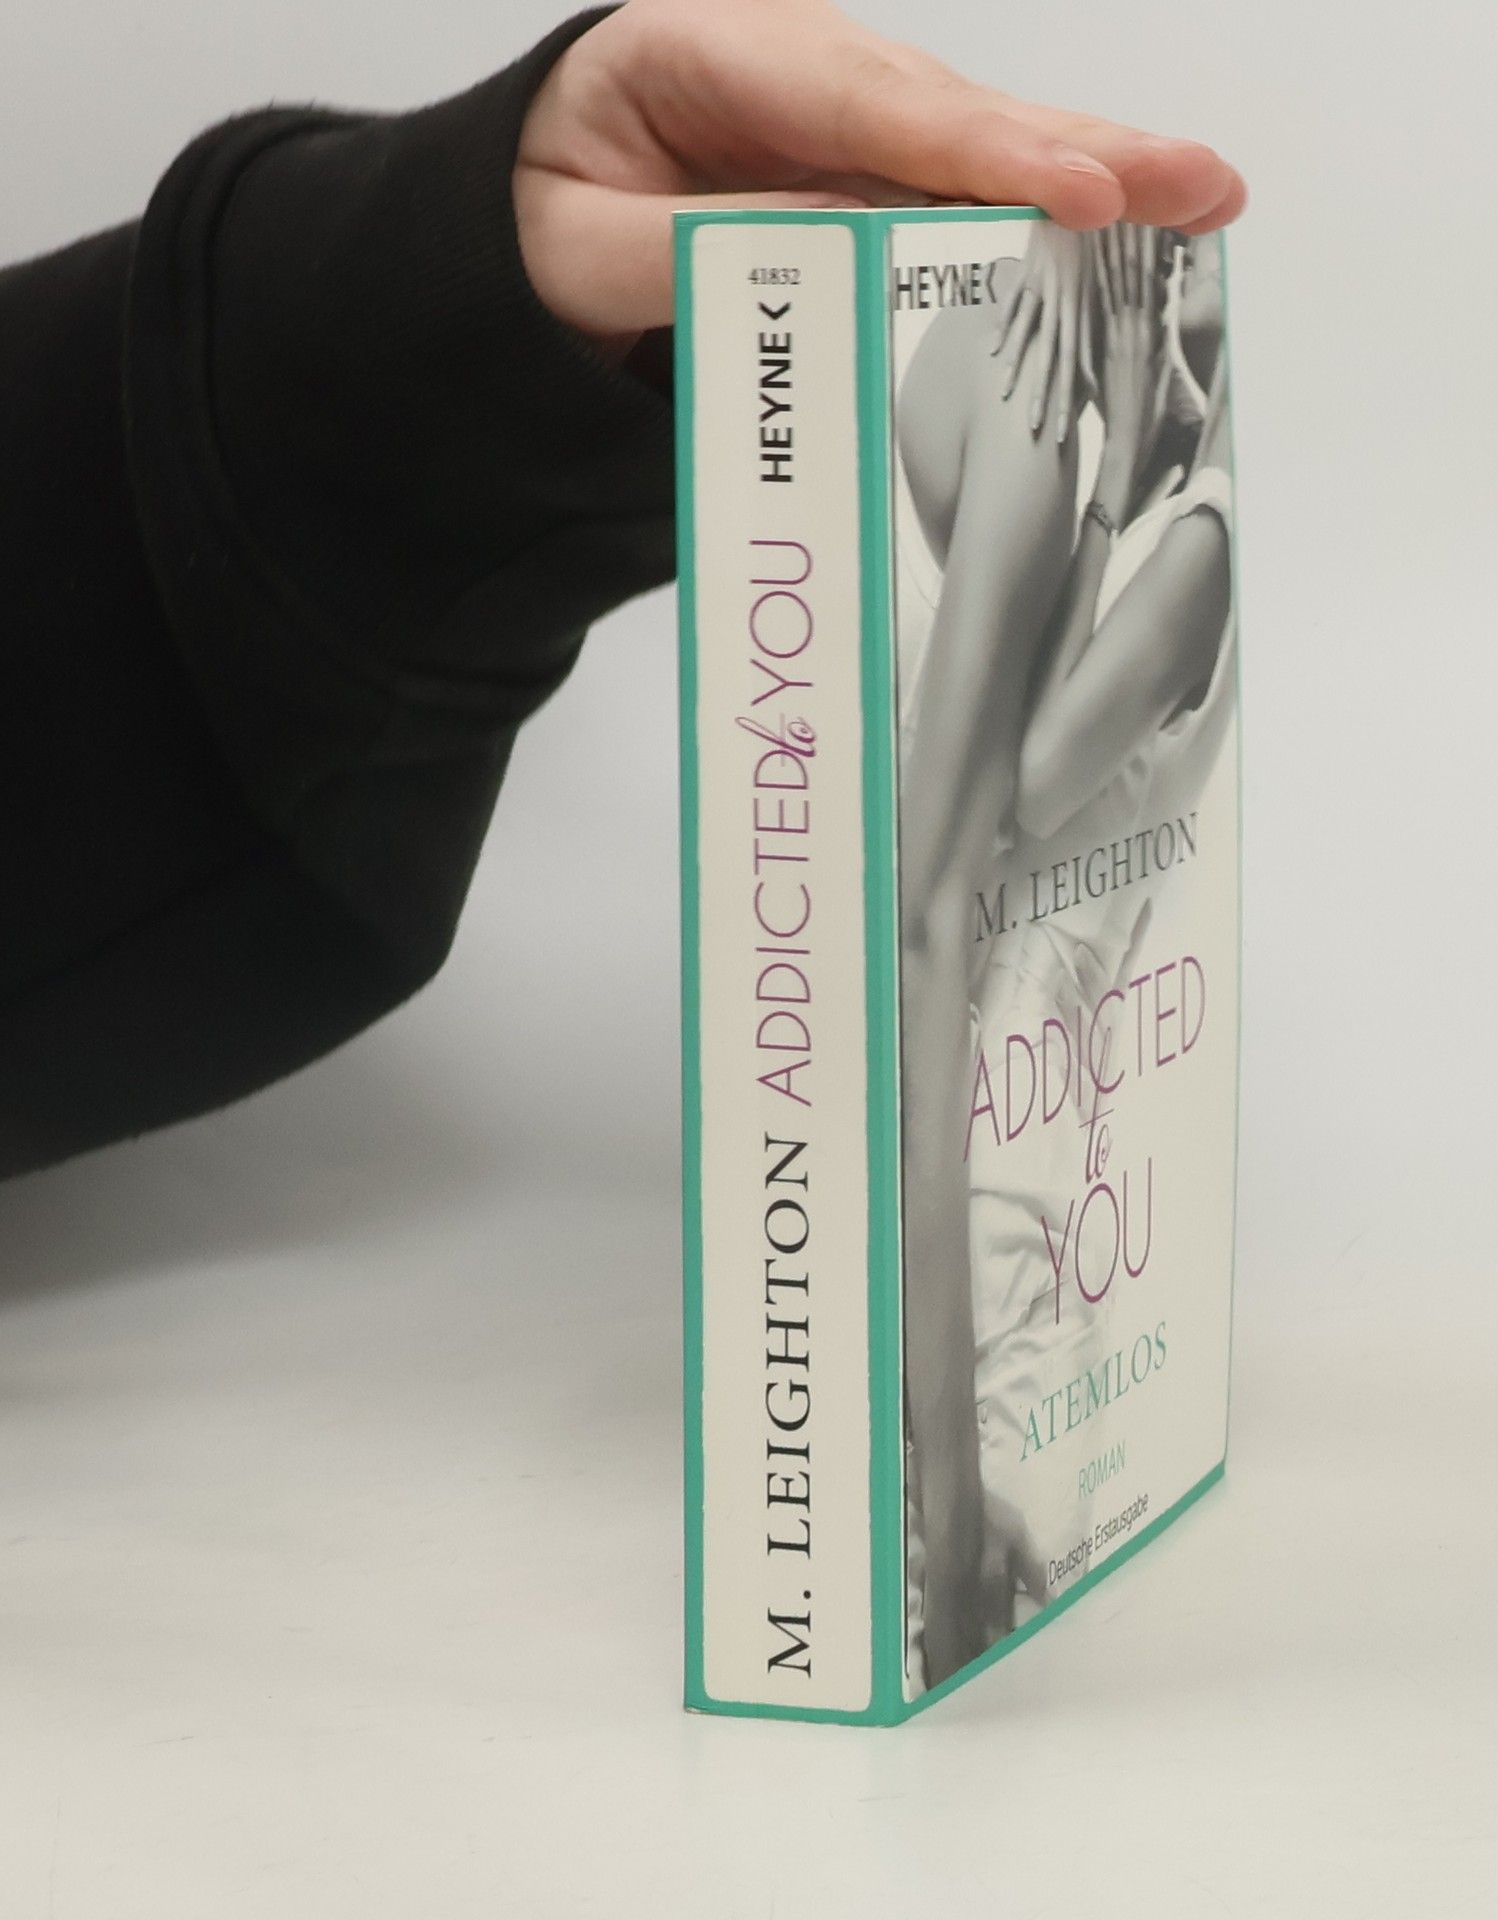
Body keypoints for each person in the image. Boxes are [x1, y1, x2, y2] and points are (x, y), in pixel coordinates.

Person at [0, 0, 1245, 1182]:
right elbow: (986, 842)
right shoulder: (1074, 444)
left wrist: (426, 285)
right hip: (1032, 1125)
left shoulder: (1142, 496)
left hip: (1052, 1128)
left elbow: (1002, 824)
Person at [891, 219, 1237, 1684]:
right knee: (975, 1637)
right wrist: (1110, 474)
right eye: (1150, 240)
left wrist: (1111, 480)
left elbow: (1022, 794)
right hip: (1011, 1124)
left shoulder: (1196, 538)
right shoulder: (1110, 484)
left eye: (1196, 250)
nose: (1170, 258)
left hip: (1009, 1147)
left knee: (988, 1640)